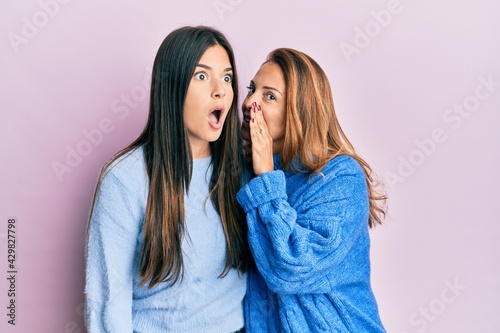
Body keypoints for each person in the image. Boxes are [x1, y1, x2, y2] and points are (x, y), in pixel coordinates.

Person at [84, 26, 249, 333]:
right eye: (202, 76)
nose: (220, 90)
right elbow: (108, 297)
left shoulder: (242, 172)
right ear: (172, 86)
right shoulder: (125, 178)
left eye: (227, 77)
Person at [237, 48, 387, 332]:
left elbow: (291, 267)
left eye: (269, 96)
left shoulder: (340, 176)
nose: (249, 103)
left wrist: (266, 177)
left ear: (300, 110)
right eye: (251, 89)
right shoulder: (245, 175)